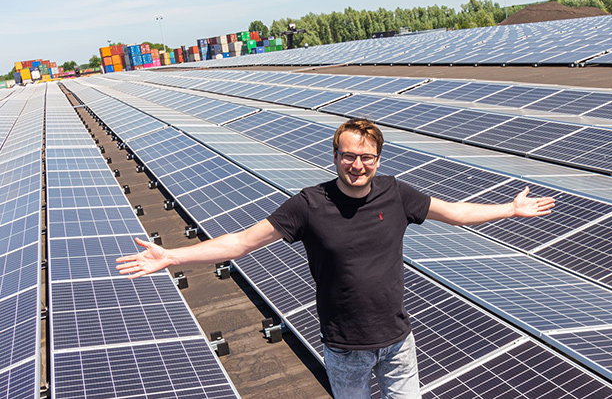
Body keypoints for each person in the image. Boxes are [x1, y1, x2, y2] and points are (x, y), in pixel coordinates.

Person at [117, 118, 555, 399]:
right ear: (335, 156)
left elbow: (456, 213)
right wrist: (172, 255)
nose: (357, 164)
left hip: (398, 341)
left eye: (366, 157)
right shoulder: (308, 205)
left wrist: (510, 209)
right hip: (344, 347)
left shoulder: (397, 193)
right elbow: (242, 243)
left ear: (378, 159)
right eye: (349, 155)